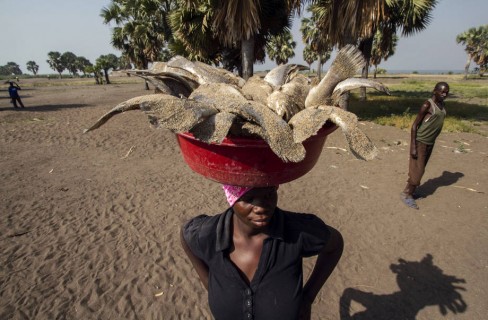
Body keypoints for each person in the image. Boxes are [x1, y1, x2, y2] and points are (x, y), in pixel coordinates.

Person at [181, 184, 344, 320]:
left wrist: (308, 297)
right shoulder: (209, 234)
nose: (261, 207)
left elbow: (335, 244)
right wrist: (210, 283)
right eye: (249, 198)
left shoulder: (297, 232)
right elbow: (184, 235)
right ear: (232, 197)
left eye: (269, 194)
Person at [401, 82, 450, 209]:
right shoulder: (427, 105)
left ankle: (409, 190)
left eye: (446, 92)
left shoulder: (442, 105)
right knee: (419, 170)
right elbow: (415, 125)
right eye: (442, 91)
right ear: (435, 91)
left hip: (430, 142)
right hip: (420, 142)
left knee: (418, 169)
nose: (444, 94)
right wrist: (413, 146)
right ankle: (407, 195)